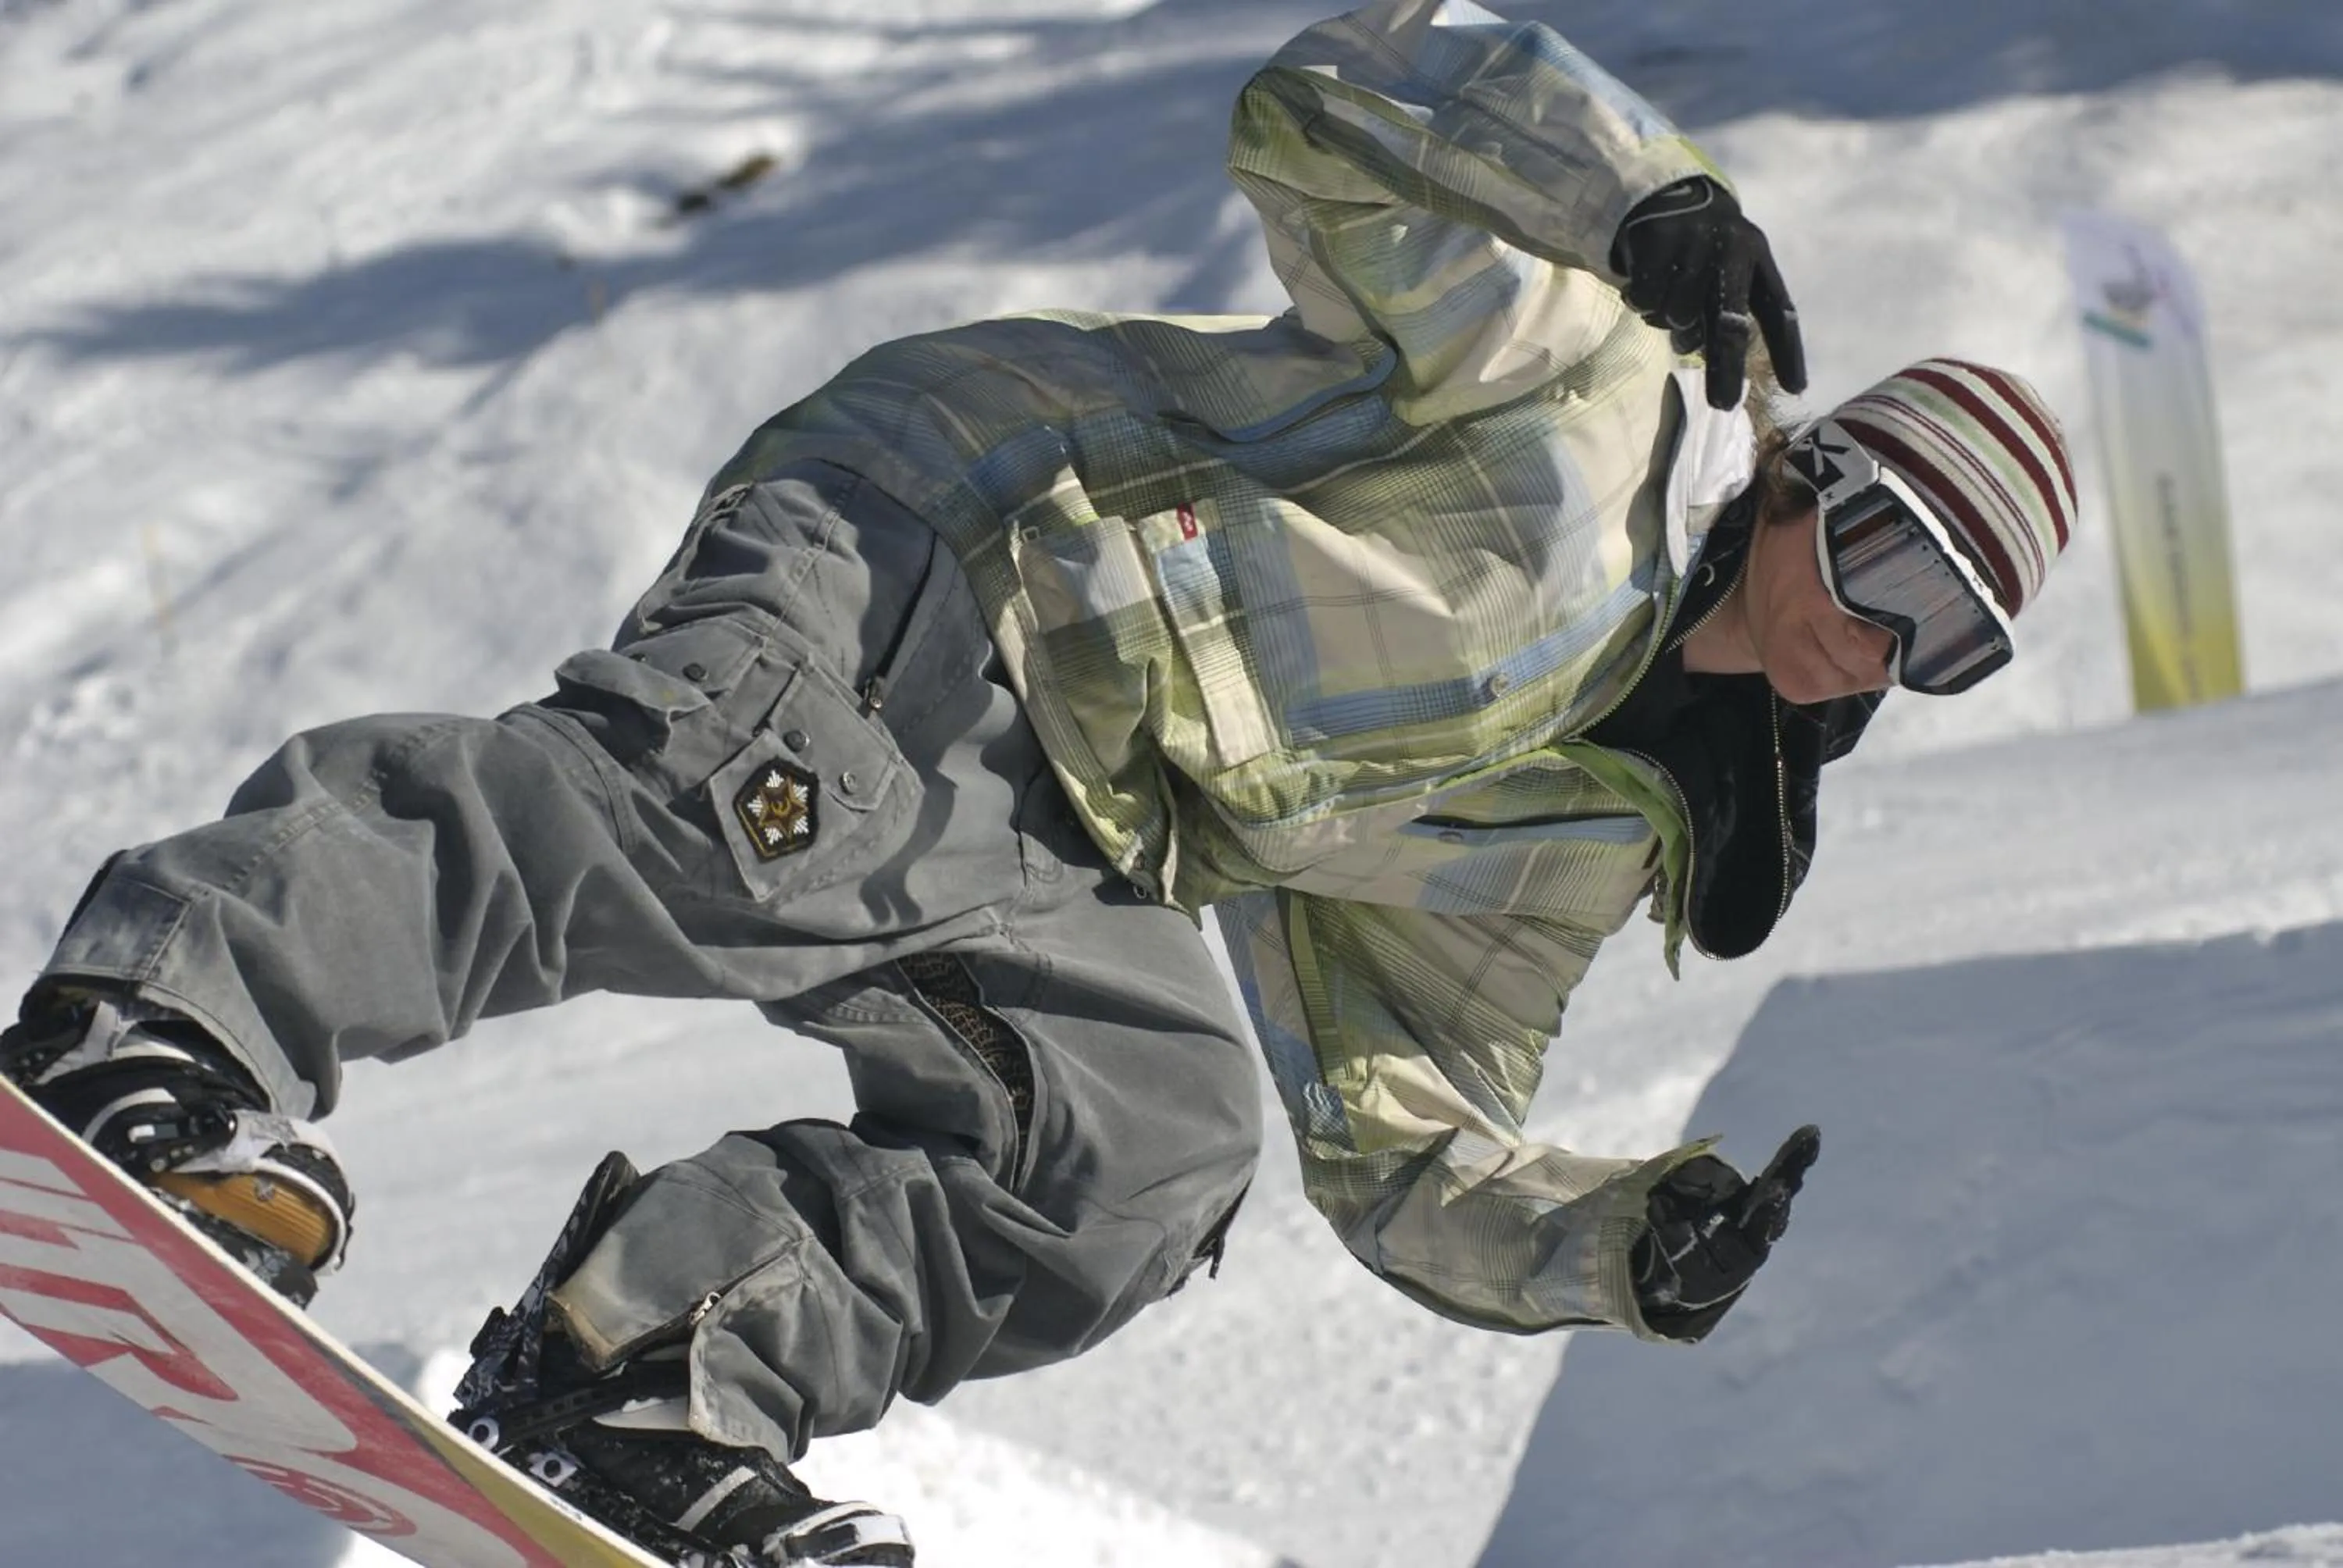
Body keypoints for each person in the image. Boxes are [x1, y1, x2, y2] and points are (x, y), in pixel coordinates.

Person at [0, 1, 2077, 1563]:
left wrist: (1617, 1244)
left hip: (1075, 828)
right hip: (959, 554)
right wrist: (1623, 194)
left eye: (1947, 634)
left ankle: (646, 1376)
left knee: (1150, 1147)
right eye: (1885, 549)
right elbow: (1343, 98)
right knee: (713, 821)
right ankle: (159, 1022)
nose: (1877, 635)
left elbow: (1408, 1138)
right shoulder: (1590, 383)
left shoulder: (1603, 831)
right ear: (1814, 468)